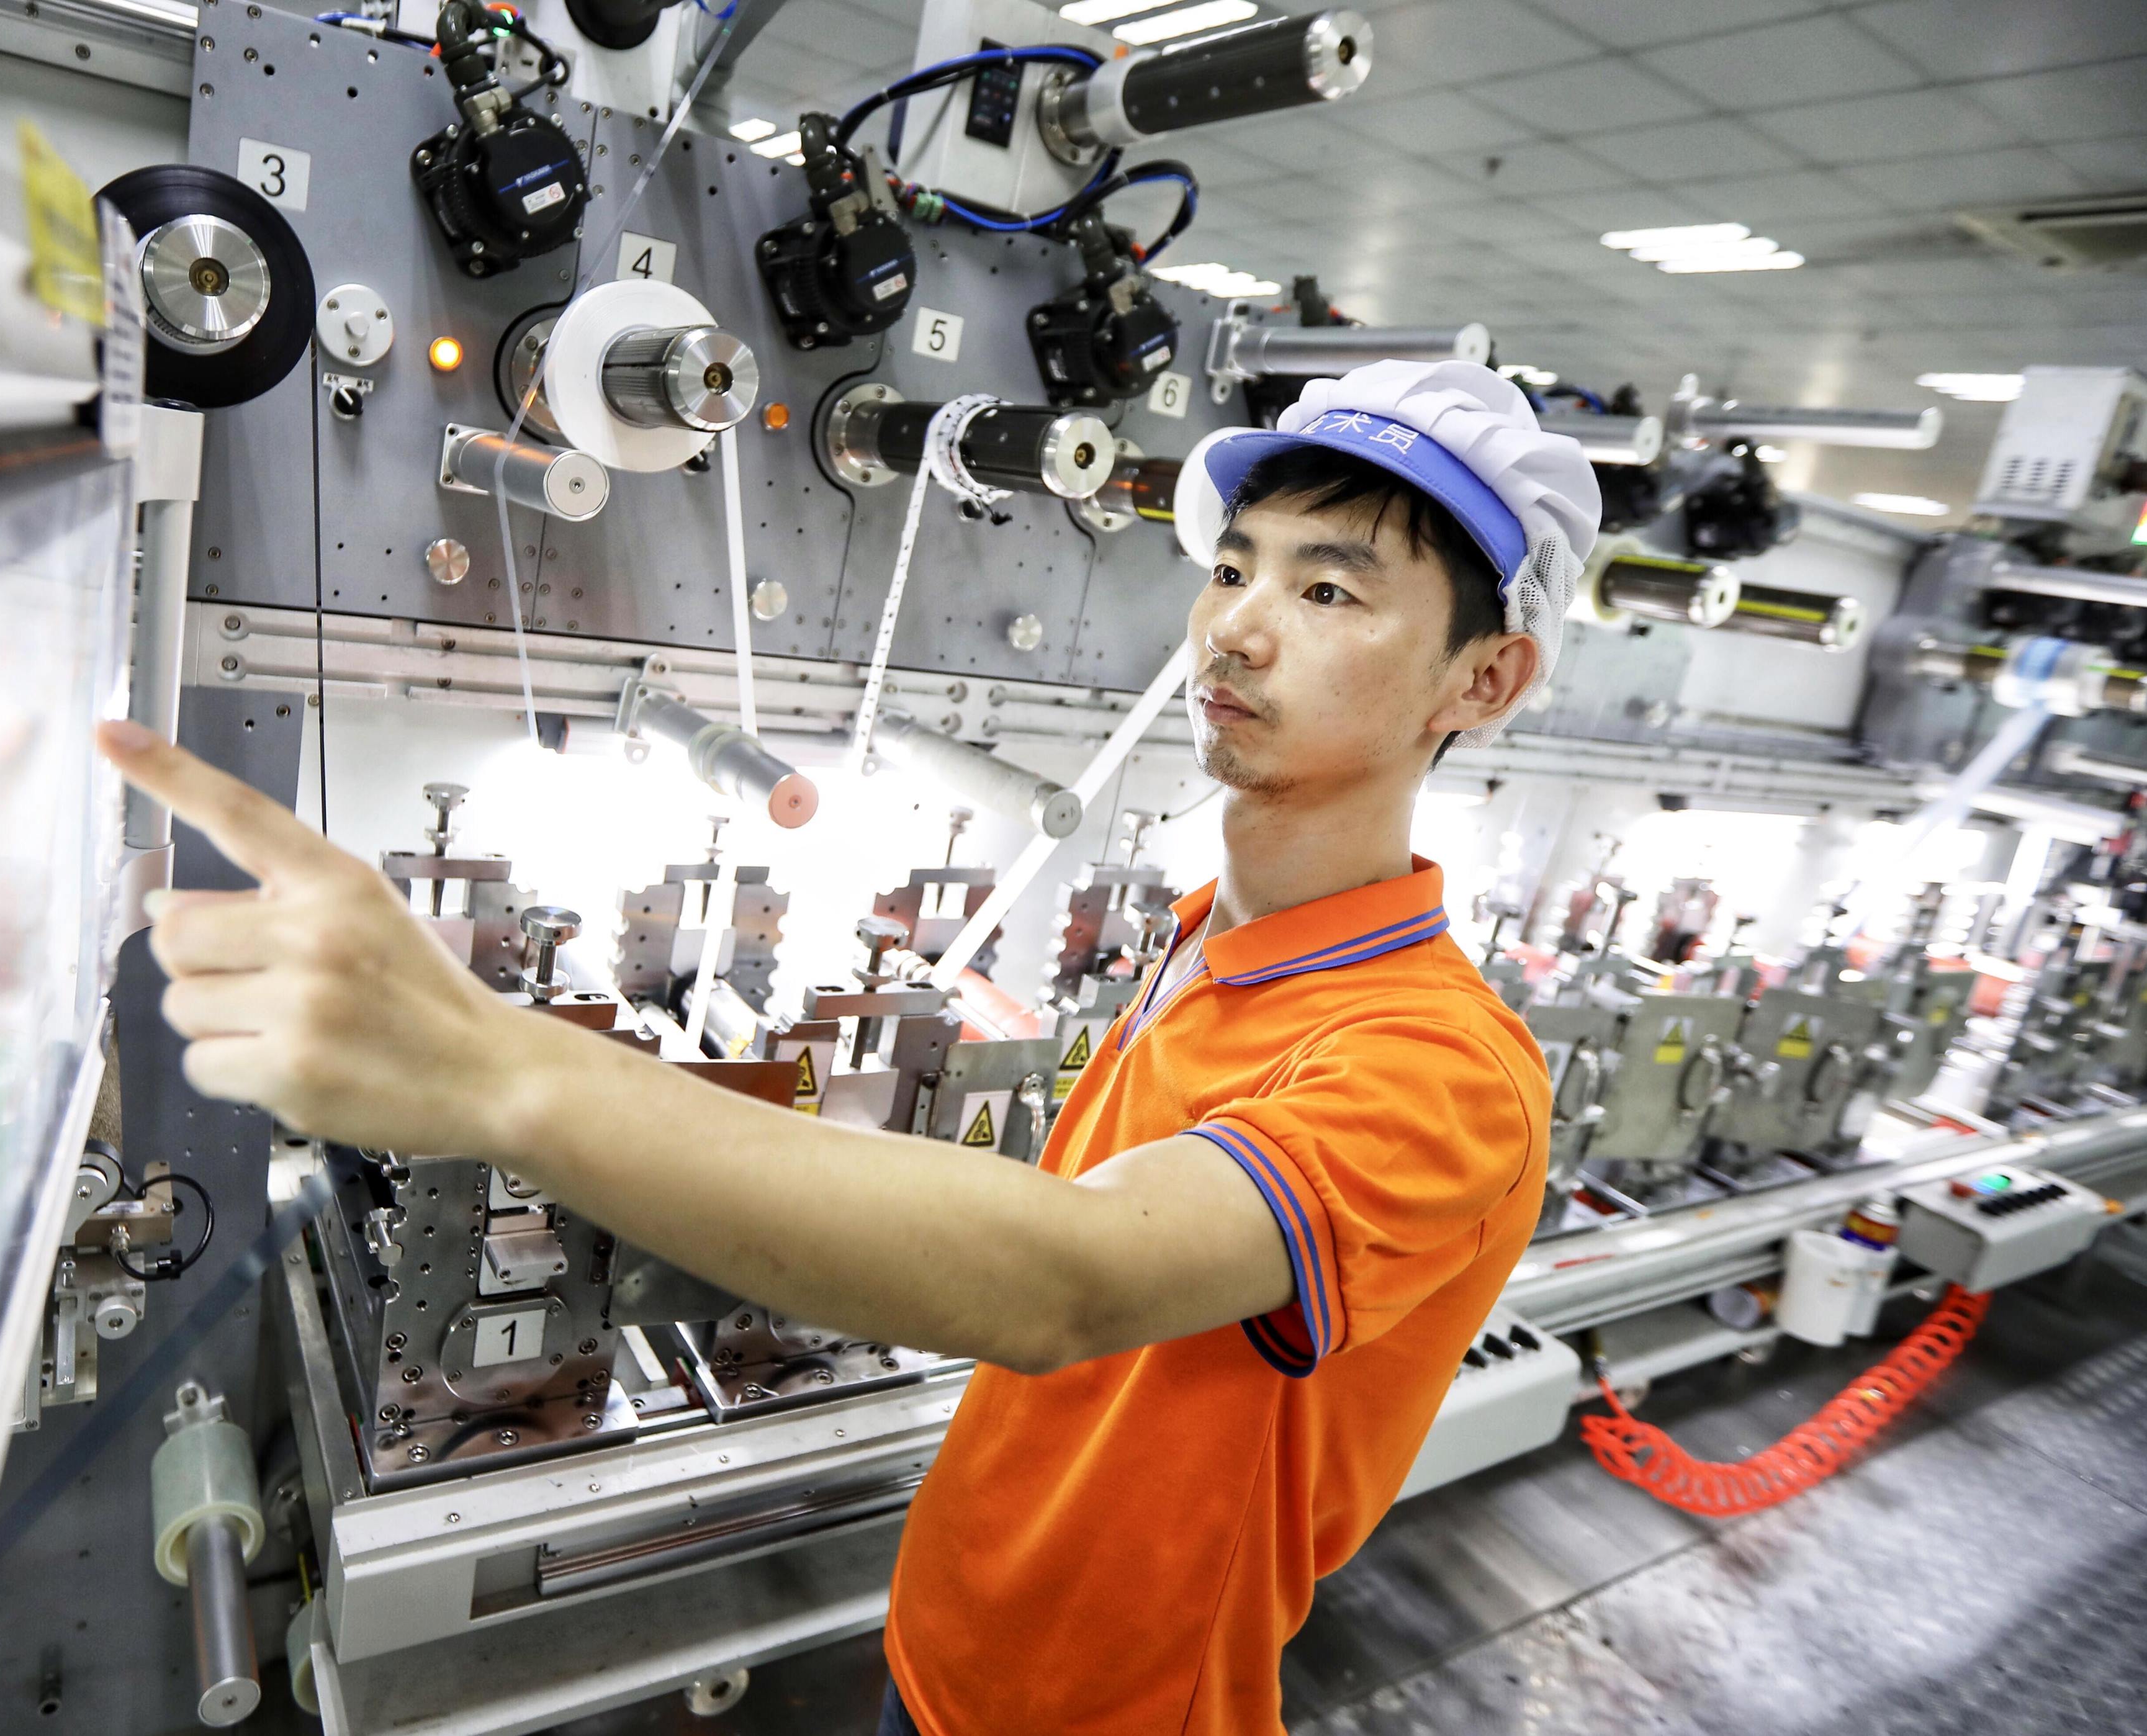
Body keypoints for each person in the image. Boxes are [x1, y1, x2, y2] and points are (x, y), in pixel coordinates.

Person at [97, 358, 1601, 1734]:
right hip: (945, 1647)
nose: (1237, 627)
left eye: (1328, 591)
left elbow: (1067, 1278)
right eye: (1231, 568)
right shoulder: (1210, 935)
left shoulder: (1445, 1070)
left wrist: (501, 1069)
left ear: (1483, 679)